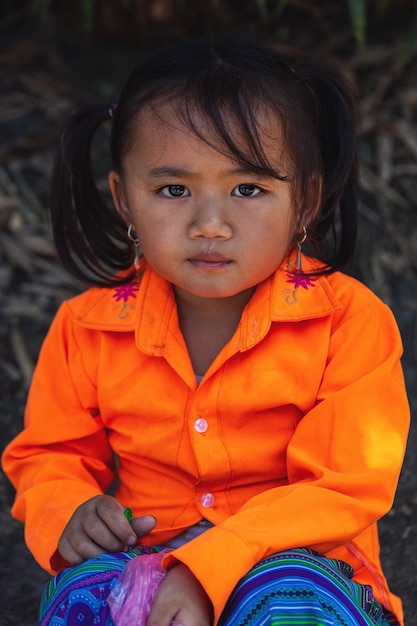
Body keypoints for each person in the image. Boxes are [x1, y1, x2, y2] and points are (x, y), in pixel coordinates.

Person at [1, 35, 410, 626]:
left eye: (249, 189)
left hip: (294, 564)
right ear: (124, 201)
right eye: (174, 190)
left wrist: (210, 568)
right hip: (143, 555)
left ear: (306, 201)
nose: (211, 225)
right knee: (88, 598)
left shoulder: (347, 321)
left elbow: (343, 485)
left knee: (288, 604)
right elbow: (49, 454)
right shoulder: (86, 328)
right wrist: (69, 508)